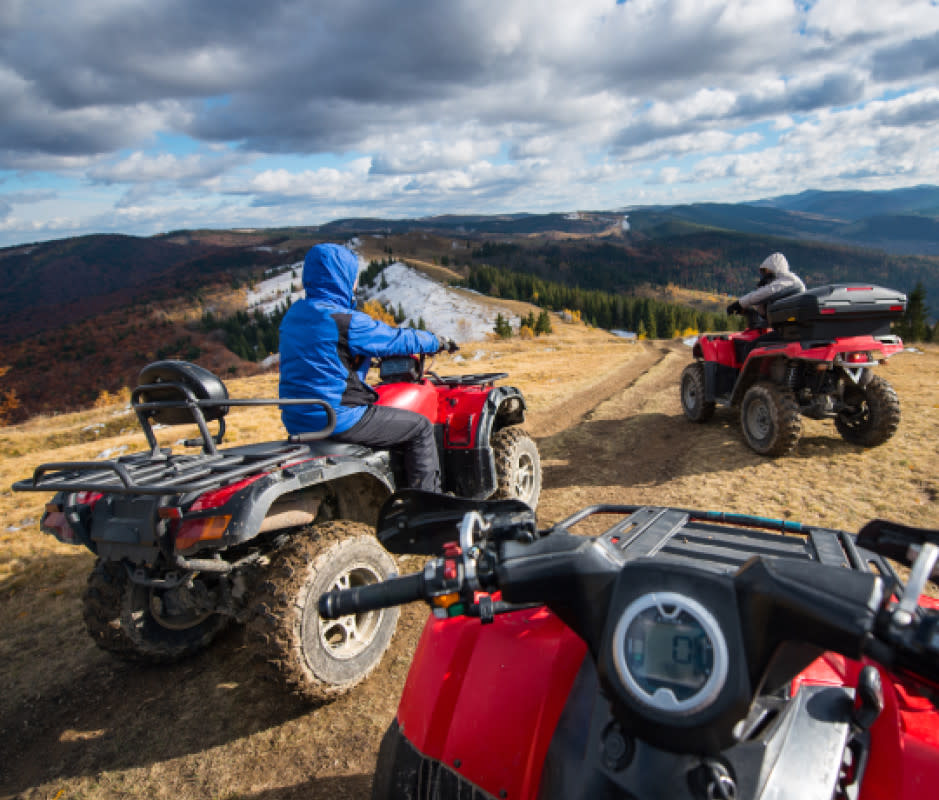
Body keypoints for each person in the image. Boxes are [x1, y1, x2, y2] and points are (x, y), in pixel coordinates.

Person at [278, 243, 455, 492]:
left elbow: (326, 357)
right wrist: (437, 341)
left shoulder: (294, 314)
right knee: (420, 427)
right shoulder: (344, 321)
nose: (354, 284)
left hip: (297, 418)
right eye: (353, 278)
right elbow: (396, 339)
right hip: (337, 417)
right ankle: (428, 505)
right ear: (342, 277)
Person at [727, 252, 805, 323]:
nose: (764, 275)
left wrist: (739, 304)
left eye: (766, 271)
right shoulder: (780, 285)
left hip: (793, 325)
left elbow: (764, 294)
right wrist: (750, 312)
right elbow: (764, 313)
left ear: (775, 268)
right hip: (786, 325)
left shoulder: (789, 280)